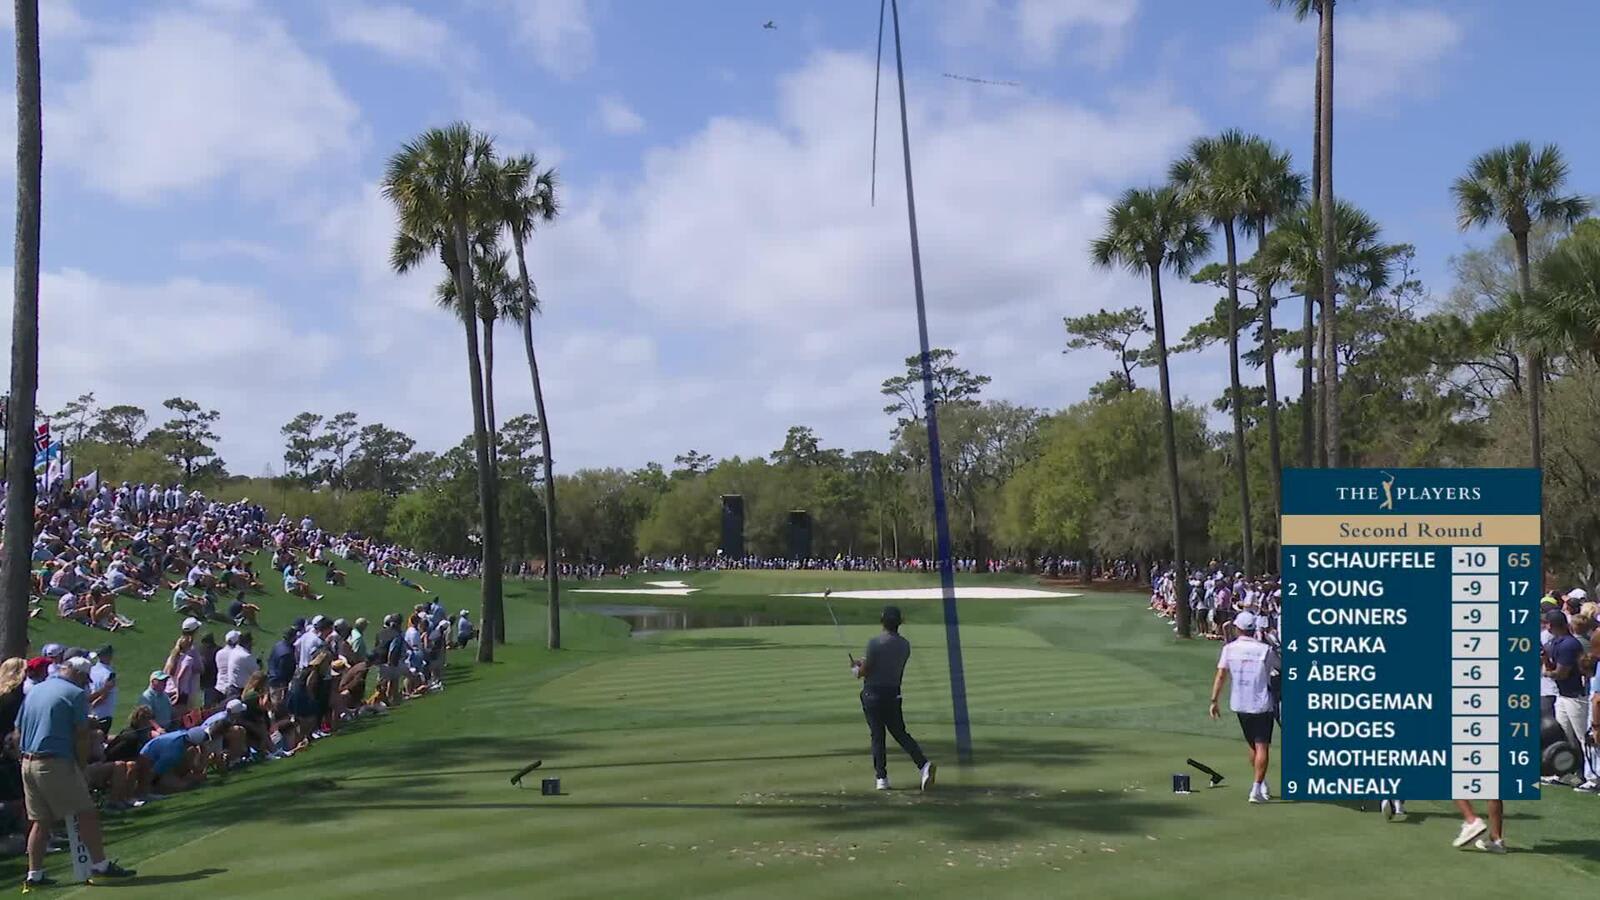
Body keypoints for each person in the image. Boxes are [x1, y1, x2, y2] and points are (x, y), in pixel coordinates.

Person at [15, 656, 135, 887]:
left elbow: (19, 730)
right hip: (54, 762)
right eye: (84, 679)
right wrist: (80, 765)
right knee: (85, 812)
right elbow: (81, 735)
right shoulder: (75, 694)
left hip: (28, 763)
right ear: (78, 675)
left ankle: (35, 875)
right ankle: (100, 865)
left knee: (40, 821)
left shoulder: (37, 690)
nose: (85, 685)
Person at [851, 605, 935, 791]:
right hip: (893, 694)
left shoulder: (874, 643)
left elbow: (866, 671)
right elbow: (883, 662)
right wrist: (864, 662)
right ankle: (923, 765)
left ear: (882, 621)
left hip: (872, 694)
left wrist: (856, 670)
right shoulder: (905, 645)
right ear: (900, 622)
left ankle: (882, 778)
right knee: (900, 733)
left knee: (877, 736)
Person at [1210, 610, 1280, 803]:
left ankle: (1261, 782)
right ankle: (1256, 788)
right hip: (1261, 703)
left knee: (1253, 744)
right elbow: (1281, 666)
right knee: (1262, 745)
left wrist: (1214, 700)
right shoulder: (1264, 649)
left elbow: (1221, 675)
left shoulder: (1229, 649)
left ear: (1237, 628)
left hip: (1240, 703)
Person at [1544, 609, 1587, 785]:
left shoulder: (1569, 644)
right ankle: (1564, 773)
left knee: (1584, 738)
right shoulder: (1556, 642)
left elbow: (1562, 673)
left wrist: (1547, 673)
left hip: (1576, 697)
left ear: (1551, 624)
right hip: (1563, 695)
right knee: (1563, 736)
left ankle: (1591, 775)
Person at [86, 646, 117, 734]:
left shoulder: (91, 669)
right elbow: (104, 696)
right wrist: (93, 705)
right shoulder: (110, 674)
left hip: (90, 712)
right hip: (104, 713)